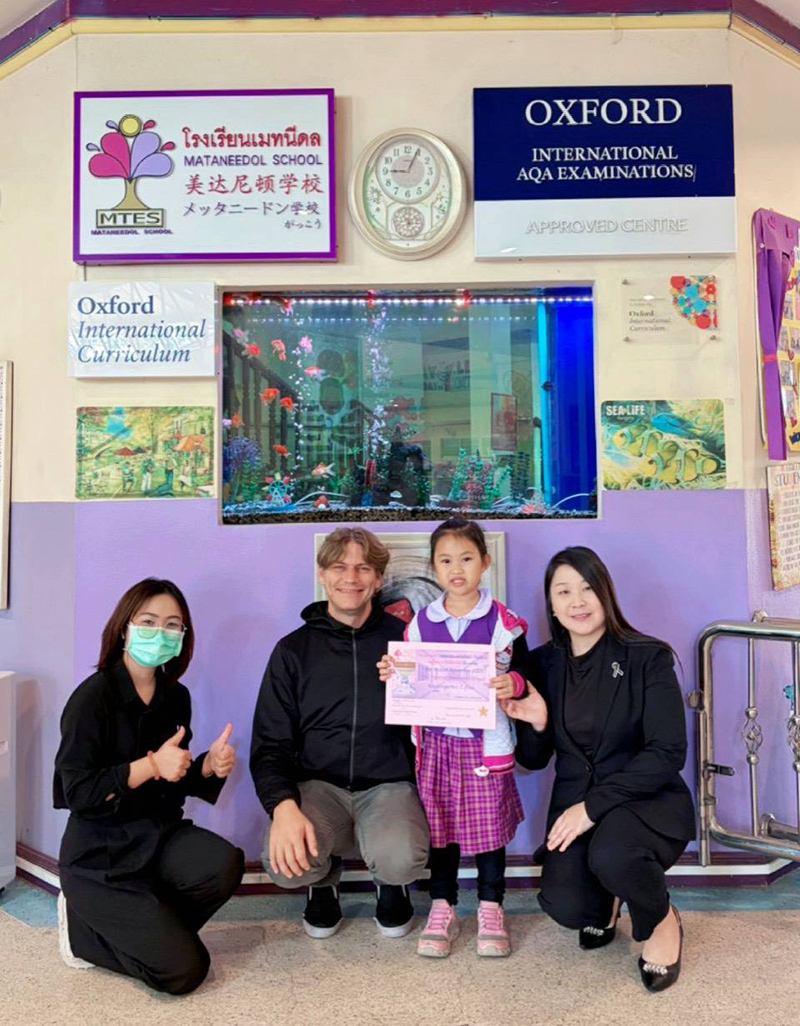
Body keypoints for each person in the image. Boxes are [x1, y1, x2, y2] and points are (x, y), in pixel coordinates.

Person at [505, 546, 695, 992]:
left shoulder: (647, 656)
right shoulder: (542, 664)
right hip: (577, 804)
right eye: (564, 591)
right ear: (551, 604)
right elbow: (532, 759)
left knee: (614, 855)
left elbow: (668, 751)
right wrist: (539, 723)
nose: (578, 601)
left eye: (588, 588)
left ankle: (662, 921)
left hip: (644, 801)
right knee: (567, 906)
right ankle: (606, 903)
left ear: (605, 593)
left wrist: (592, 807)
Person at [54, 578, 244, 995]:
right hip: (100, 855)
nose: (161, 633)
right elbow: (77, 792)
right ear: (124, 628)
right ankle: (82, 936)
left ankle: (149, 929)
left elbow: (173, 778)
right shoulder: (92, 699)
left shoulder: (176, 697)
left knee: (223, 863)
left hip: (157, 835)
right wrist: (150, 764)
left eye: (173, 625)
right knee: (185, 972)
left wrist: (208, 766)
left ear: (183, 635)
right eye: (148, 621)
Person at [250, 527, 430, 940]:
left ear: (378, 579)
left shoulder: (407, 642)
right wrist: (282, 807)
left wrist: (417, 681)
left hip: (388, 786)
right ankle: (322, 882)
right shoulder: (292, 650)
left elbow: (437, 723)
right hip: (317, 788)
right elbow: (270, 743)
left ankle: (390, 882)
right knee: (283, 864)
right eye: (339, 566)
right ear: (322, 574)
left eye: (363, 568)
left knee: (402, 858)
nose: (351, 577)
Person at [378, 518, 529, 958]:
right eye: (445, 561)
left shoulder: (504, 623)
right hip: (438, 743)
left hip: (485, 742)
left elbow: (526, 674)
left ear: (485, 562)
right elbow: (410, 678)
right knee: (439, 825)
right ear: (434, 566)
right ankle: (443, 905)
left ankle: (490, 906)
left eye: (466, 558)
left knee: (489, 829)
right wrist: (394, 674)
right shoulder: (420, 625)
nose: (456, 569)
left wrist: (513, 683)